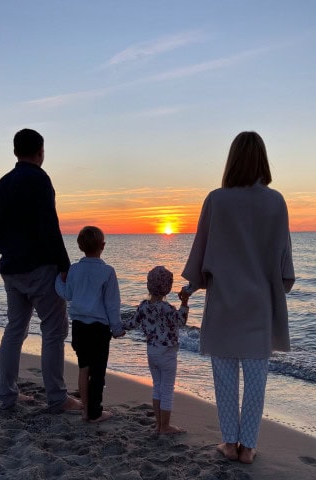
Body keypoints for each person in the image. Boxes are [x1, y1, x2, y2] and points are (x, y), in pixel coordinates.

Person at [180, 131, 295, 463]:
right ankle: (249, 447)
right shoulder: (276, 201)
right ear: (263, 160)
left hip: (224, 302)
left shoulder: (216, 200)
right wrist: (276, 287)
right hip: (259, 305)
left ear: (231, 160)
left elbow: (200, 257)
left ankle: (229, 443)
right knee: (257, 379)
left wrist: (193, 286)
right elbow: (284, 265)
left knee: (225, 375)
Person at [0, 128, 82, 413]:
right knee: (54, 330)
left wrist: (8, 254)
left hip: (11, 266)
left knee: (14, 329)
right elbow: (49, 226)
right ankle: (57, 397)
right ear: (40, 151)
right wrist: (65, 265)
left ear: (15, 151)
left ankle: (7, 394)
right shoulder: (40, 179)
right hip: (39, 266)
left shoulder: (2, 184)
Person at [55, 226, 125, 423]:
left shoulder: (74, 270)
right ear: (103, 246)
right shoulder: (107, 272)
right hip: (99, 329)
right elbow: (112, 304)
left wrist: (58, 281)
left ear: (79, 246)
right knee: (98, 373)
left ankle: (86, 410)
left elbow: (67, 294)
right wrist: (117, 328)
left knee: (84, 368)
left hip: (79, 327)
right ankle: (94, 413)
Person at [124, 266, 189, 434]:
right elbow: (181, 321)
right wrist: (184, 302)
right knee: (167, 388)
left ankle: (158, 424)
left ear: (148, 285)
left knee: (157, 386)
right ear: (168, 288)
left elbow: (132, 323)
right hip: (167, 353)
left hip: (151, 352)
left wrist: (117, 328)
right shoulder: (167, 308)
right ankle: (165, 427)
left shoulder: (143, 306)